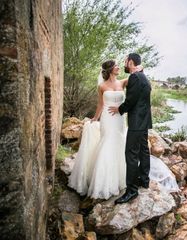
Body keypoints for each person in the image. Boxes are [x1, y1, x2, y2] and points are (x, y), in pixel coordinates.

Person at [68, 56, 179, 201]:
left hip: (119, 119)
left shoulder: (124, 81)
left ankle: (124, 179)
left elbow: (137, 80)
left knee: (123, 146)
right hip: (108, 118)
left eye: (123, 63)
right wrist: (95, 118)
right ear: (109, 70)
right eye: (116, 65)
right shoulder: (101, 87)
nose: (119, 66)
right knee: (108, 142)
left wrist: (140, 68)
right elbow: (100, 104)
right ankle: (105, 180)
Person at [109, 53, 152, 204]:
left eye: (126, 61)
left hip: (136, 123)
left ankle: (132, 190)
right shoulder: (143, 76)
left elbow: (131, 100)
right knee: (143, 150)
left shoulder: (135, 77)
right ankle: (144, 180)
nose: (124, 64)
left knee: (131, 154)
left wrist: (119, 109)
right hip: (144, 122)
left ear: (131, 62)